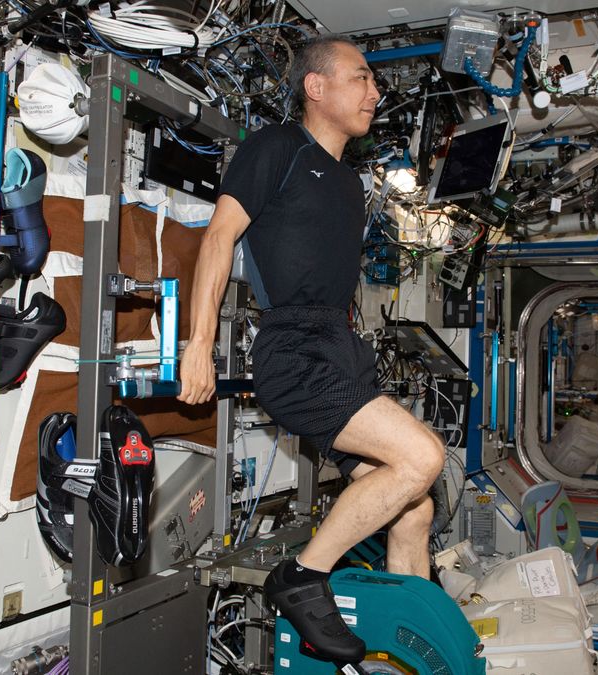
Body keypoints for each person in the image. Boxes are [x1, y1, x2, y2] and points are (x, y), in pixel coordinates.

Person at [177, 35, 446, 664]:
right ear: (315, 87)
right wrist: (200, 344)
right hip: (293, 350)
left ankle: (408, 642)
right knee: (422, 458)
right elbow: (219, 239)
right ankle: (301, 577)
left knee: (415, 507)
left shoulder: (351, 186)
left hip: (337, 346)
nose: (375, 93)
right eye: (361, 78)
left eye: (375, 84)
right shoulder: (275, 148)